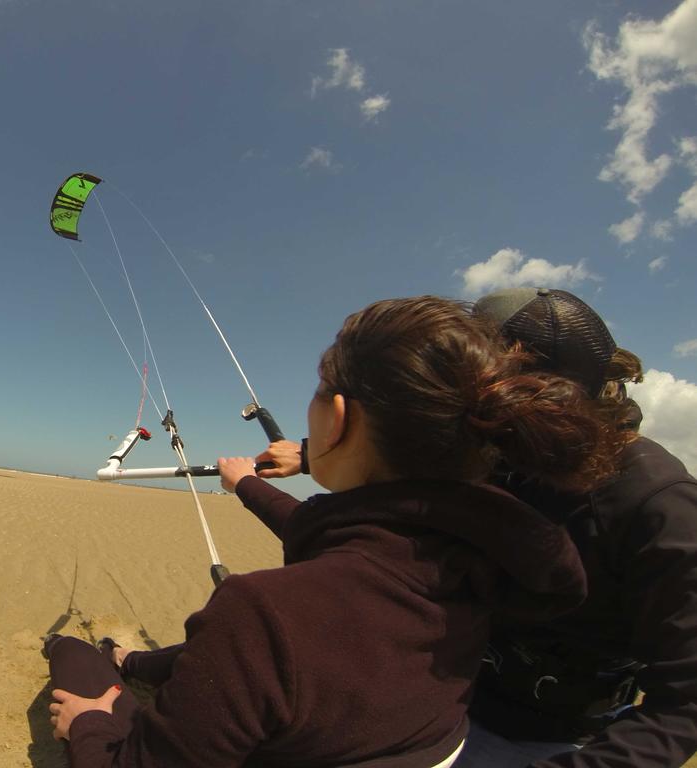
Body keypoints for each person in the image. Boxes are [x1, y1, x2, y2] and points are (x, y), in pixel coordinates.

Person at [43, 296, 626, 767]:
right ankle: (132, 661)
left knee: (70, 653)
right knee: (208, 658)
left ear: (338, 418)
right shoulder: (480, 566)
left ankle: (103, 665)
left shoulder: (261, 614)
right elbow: (345, 539)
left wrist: (92, 726)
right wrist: (244, 484)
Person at [450, 287, 697, 768]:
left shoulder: (660, 503)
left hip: (555, 742)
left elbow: (685, 701)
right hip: (442, 709)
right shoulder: (496, 461)